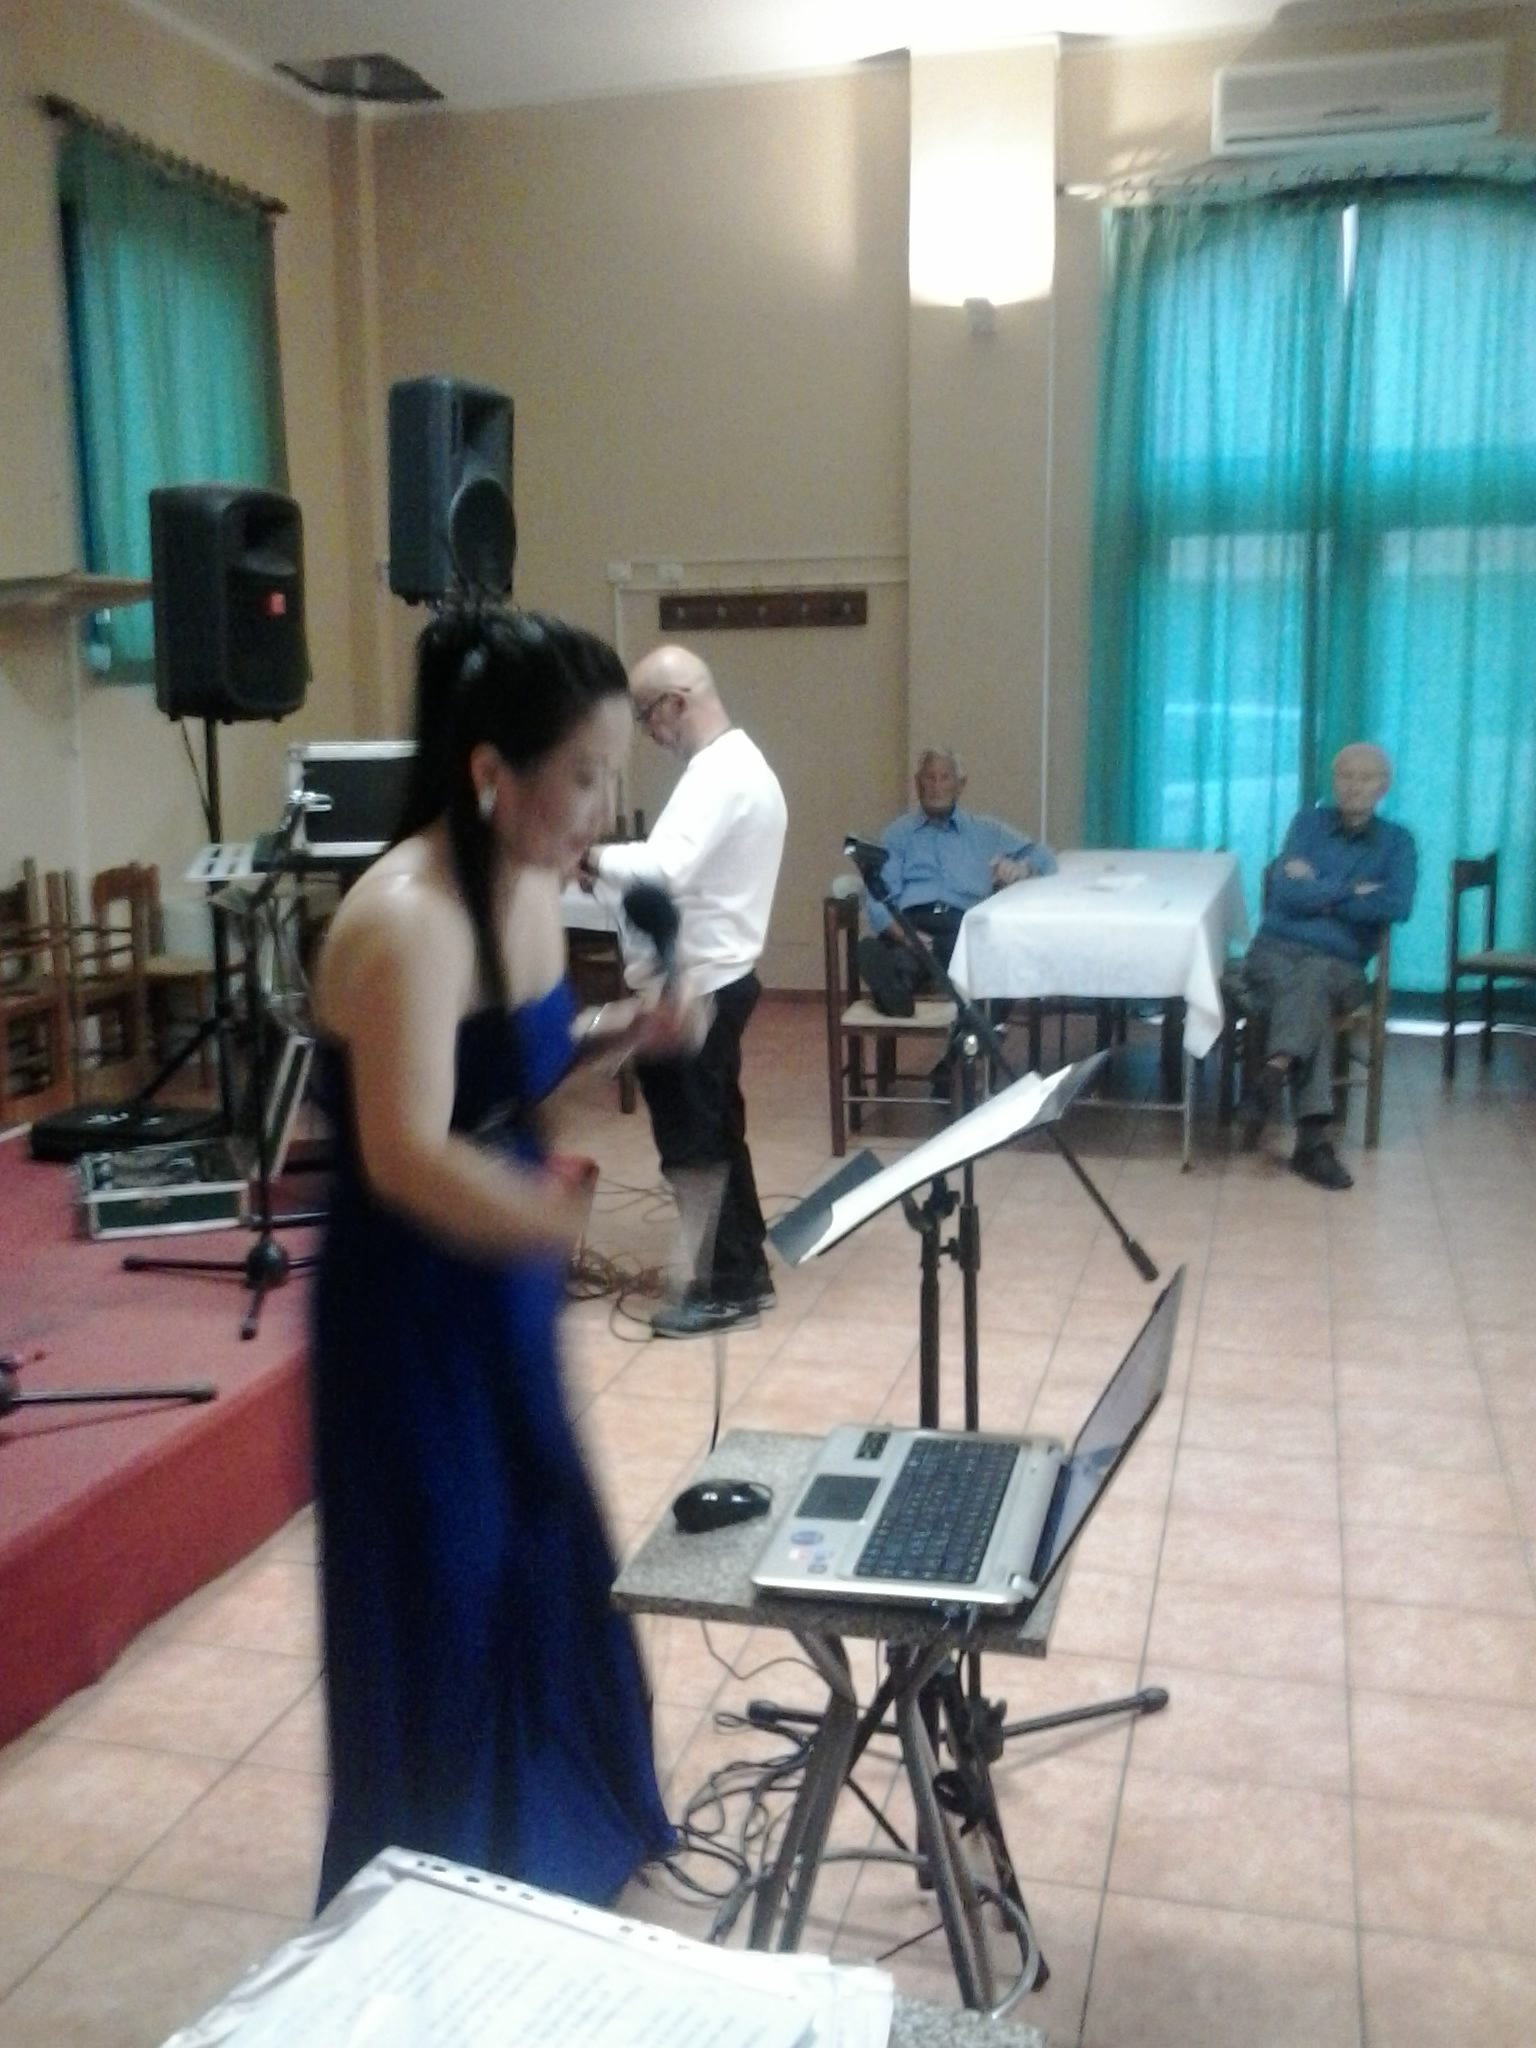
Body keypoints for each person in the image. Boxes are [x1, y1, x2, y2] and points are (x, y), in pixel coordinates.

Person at [308, 605, 686, 1912]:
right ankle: (448, 1900)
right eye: (583, 776)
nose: (603, 811)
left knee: (547, 1555)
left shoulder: (524, 882)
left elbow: (502, 1074)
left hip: (500, 1281)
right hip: (411, 1309)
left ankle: (559, 1850)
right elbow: (408, 1155)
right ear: (489, 770)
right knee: (451, 1585)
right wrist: (558, 1221)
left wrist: (618, 1034)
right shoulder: (404, 917)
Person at [579, 644, 787, 1339]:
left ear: (675, 702)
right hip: (715, 978)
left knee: (694, 1143)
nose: (648, 732)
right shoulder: (737, 765)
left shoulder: (720, 773)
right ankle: (744, 1268)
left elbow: (665, 868)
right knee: (718, 1130)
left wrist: (585, 853)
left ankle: (727, 1287)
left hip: (696, 988)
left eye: (647, 717)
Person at [1236, 741, 1417, 1190]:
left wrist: (1316, 885)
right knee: (1309, 998)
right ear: (1333, 782)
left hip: (1342, 968)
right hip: (1274, 955)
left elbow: (1395, 905)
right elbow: (1284, 893)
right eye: (1345, 776)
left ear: (1383, 787)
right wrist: (1351, 891)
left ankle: (1275, 1070)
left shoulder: (1397, 842)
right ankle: (1311, 1143)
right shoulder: (1307, 823)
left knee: (1314, 978)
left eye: (1365, 778)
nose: (1353, 786)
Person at [856, 747, 1056, 1018]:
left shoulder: (985, 831)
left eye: (945, 778)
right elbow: (878, 896)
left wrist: (1022, 866)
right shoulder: (897, 834)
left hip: (963, 926)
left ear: (961, 785)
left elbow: (1045, 856)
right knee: (905, 951)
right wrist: (905, 935)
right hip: (911, 924)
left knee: (991, 958)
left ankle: (902, 983)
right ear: (917, 784)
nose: (936, 787)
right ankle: (898, 980)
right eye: (929, 778)